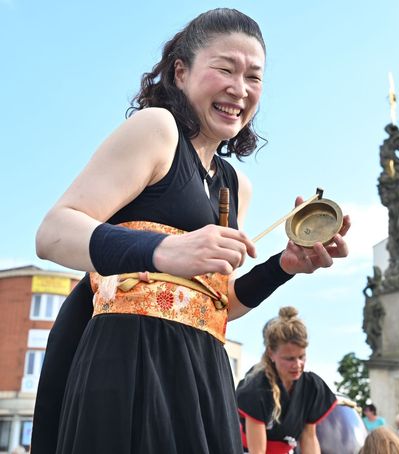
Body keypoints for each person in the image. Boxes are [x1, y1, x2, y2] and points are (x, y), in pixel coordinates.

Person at [31, 8, 350, 454]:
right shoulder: (156, 129)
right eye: (225, 68)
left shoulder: (236, 184)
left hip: (204, 373)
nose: (239, 88)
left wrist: (284, 266)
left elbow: (215, 305)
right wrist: (163, 249)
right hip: (130, 363)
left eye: (254, 77)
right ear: (180, 73)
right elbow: (52, 232)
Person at [236, 307, 336, 453]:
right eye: (289, 359)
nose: (297, 365)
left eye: (301, 357)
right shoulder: (256, 387)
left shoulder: (311, 386)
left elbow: (309, 437)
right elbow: (257, 451)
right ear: (271, 353)